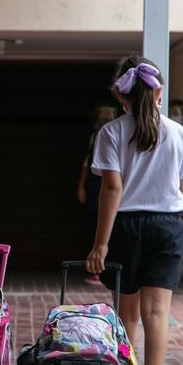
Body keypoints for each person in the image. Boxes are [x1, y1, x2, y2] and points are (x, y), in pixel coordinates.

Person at [86, 57, 183, 365]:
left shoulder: (111, 134)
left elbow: (112, 188)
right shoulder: (179, 134)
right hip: (167, 226)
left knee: (127, 316)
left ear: (122, 99)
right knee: (157, 314)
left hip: (125, 228)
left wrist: (100, 244)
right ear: (158, 94)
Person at [77, 106, 119, 286]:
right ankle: (97, 269)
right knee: (97, 224)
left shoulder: (118, 133)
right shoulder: (98, 136)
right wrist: (81, 185)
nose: (106, 118)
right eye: (102, 115)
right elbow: (88, 162)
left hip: (113, 188)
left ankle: (105, 268)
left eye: (109, 115)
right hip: (97, 186)